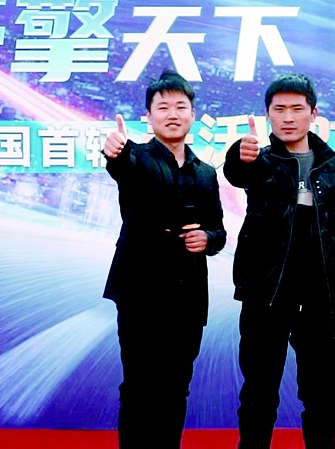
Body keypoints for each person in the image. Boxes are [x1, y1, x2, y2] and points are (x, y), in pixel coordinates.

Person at [223, 73, 335, 449]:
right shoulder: (261, 162)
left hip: (322, 300)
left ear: (313, 113)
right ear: (268, 115)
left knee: (321, 400)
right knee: (258, 396)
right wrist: (240, 153)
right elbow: (237, 172)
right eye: (279, 109)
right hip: (265, 297)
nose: (288, 117)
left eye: (297, 108)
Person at [101, 69, 226, 449]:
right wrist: (114, 151)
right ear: (149, 117)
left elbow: (219, 231)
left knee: (176, 386)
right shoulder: (136, 158)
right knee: (139, 385)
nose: (173, 114)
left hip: (188, 294)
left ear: (192, 114)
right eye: (163, 107)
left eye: (181, 106)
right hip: (139, 291)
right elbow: (120, 166)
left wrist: (207, 239)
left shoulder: (206, 172)